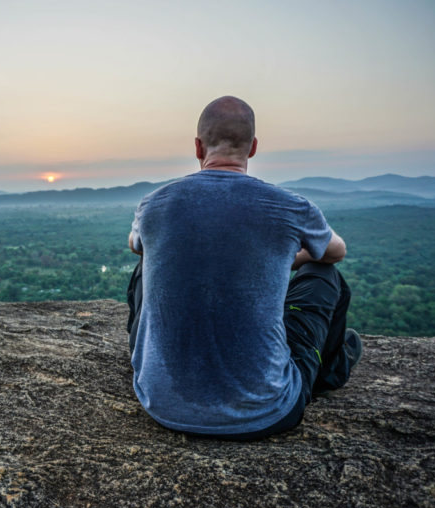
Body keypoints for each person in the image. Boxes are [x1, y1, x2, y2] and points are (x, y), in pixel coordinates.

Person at [125, 96, 362, 440]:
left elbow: (136, 245)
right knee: (326, 276)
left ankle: (154, 359)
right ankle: (329, 370)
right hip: (265, 412)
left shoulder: (153, 204)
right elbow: (335, 252)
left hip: (162, 404)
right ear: (253, 147)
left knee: (145, 265)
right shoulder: (290, 206)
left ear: (197, 146)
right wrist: (283, 258)